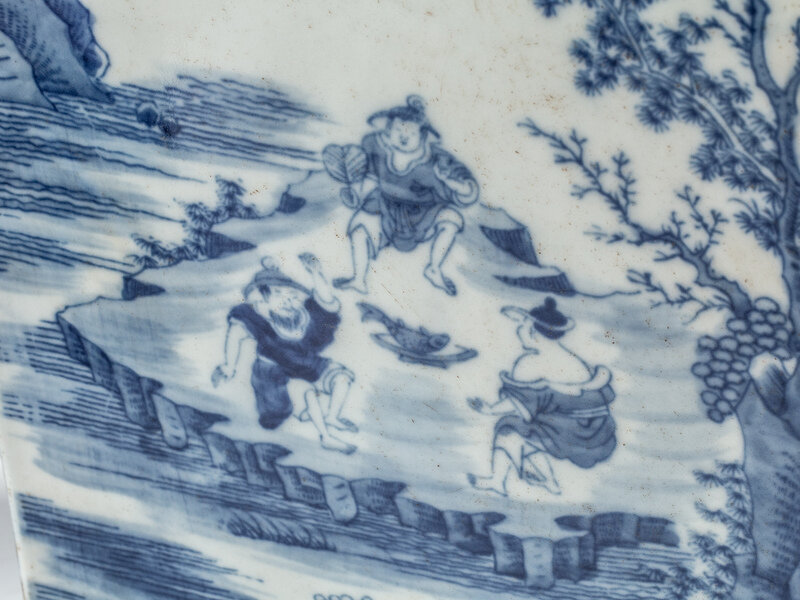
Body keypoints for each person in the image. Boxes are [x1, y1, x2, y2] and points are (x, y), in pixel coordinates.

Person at [467, 297, 616, 496]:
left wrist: (489, 409)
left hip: (571, 433)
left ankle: (497, 482)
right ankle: (549, 481)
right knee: (530, 431)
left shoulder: (531, 362)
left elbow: (519, 400)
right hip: (595, 431)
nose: (518, 331)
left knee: (508, 428)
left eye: (522, 325)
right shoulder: (572, 359)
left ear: (532, 331)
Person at [333, 95, 479, 296]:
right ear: (388, 130)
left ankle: (434, 268)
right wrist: (357, 194)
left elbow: (467, 192)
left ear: (423, 136)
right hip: (384, 205)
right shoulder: (376, 146)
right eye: (398, 130)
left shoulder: (436, 161)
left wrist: (451, 181)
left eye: (411, 133)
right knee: (359, 228)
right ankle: (359, 279)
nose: (403, 136)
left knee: (452, 220)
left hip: (424, 211)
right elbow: (370, 176)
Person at [212, 253, 357, 454]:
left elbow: (328, 302)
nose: (288, 300)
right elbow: (235, 335)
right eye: (279, 294)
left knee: (342, 378)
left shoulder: (305, 317)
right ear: (261, 299)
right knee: (305, 394)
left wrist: (316, 273)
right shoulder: (256, 319)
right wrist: (229, 366)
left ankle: (332, 417)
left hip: (304, 363)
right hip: (272, 373)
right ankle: (326, 437)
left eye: (293, 295)